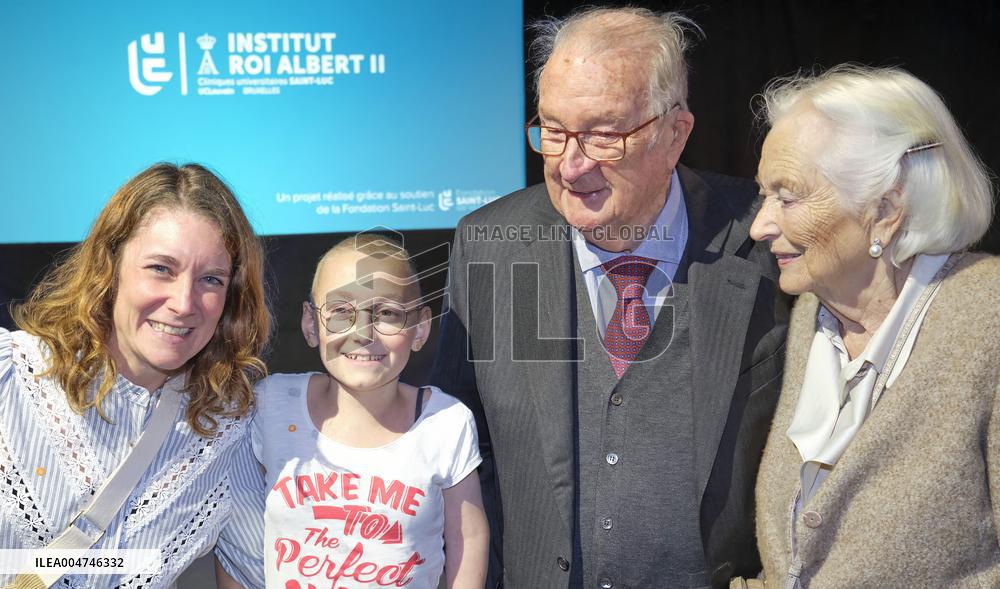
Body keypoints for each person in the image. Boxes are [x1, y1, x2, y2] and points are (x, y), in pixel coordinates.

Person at [432, 7, 789, 588]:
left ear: (675, 134)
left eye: (602, 135)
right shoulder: (489, 245)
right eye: (552, 130)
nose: (571, 166)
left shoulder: (766, 241)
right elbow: (455, 448)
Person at [748, 65, 999, 587]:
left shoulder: (988, 316)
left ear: (884, 210)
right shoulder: (810, 316)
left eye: (787, 197)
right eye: (764, 194)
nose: (760, 225)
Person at [0, 162, 270, 588]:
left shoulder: (225, 432)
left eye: (210, 279)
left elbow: (261, 574)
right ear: (110, 266)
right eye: (161, 268)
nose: (184, 302)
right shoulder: (11, 376)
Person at [218, 234, 489, 589]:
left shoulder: (445, 422)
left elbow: (467, 537)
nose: (362, 333)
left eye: (388, 313)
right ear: (311, 324)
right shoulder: (270, 404)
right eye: (341, 312)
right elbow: (233, 534)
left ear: (420, 328)